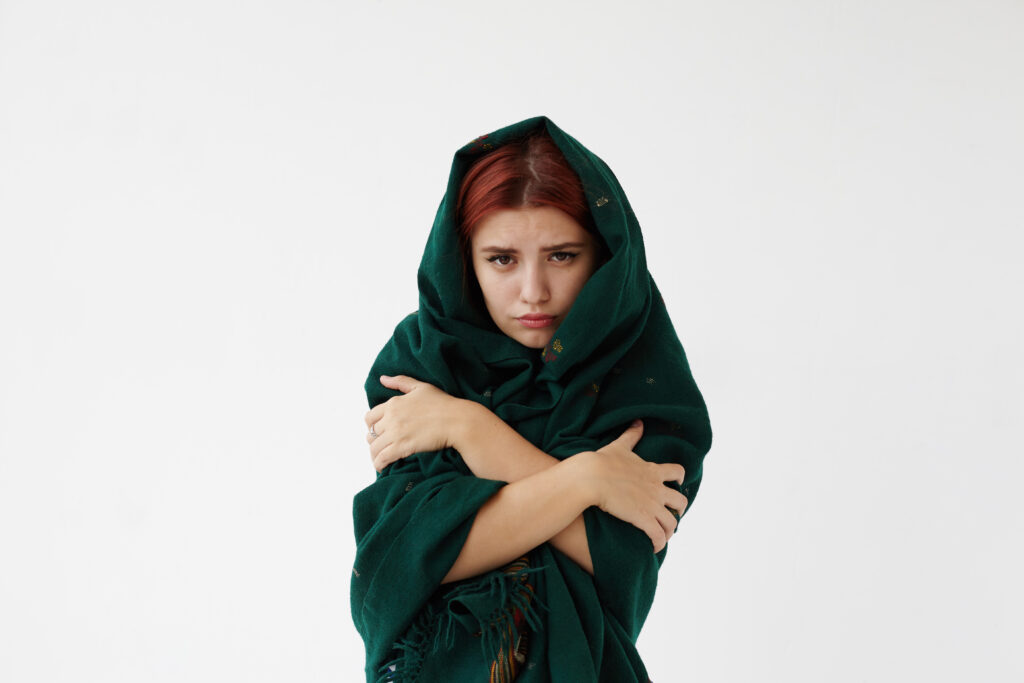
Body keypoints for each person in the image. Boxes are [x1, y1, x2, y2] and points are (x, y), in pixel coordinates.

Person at [351, 115, 712, 682]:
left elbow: (618, 557)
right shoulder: (424, 362)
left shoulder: (645, 378)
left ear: (604, 257)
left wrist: (469, 431)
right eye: (502, 259)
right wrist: (585, 480)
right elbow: (411, 559)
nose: (533, 291)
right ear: (463, 259)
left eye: (562, 256)